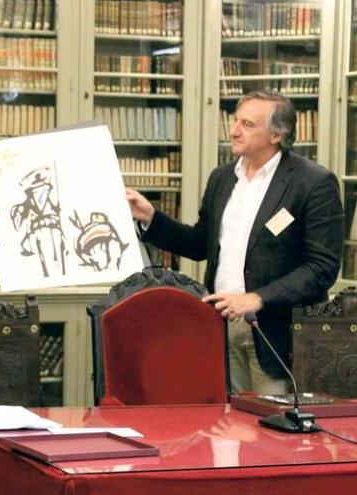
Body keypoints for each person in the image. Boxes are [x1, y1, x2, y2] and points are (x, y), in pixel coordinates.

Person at [126, 90, 343, 394]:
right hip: (222, 327)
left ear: (276, 135)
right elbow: (201, 243)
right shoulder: (222, 178)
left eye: (247, 124)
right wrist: (151, 218)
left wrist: (258, 298)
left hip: (277, 333)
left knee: (272, 435)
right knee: (230, 431)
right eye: (235, 120)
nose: (234, 130)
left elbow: (322, 267)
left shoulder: (313, 182)